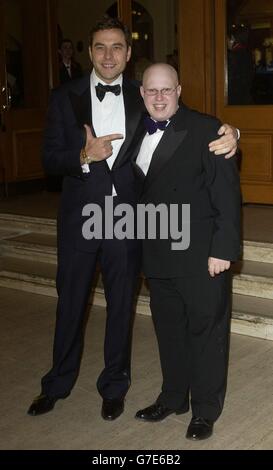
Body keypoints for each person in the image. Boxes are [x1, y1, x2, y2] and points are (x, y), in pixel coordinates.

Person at [27, 18, 239, 421]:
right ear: (89, 52)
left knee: (122, 308)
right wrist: (82, 156)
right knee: (70, 303)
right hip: (81, 219)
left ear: (128, 54)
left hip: (130, 222)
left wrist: (232, 132)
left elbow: (182, 122)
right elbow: (48, 159)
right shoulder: (63, 97)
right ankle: (57, 383)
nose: (109, 55)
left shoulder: (141, 99)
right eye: (100, 47)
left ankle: (114, 387)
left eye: (117, 47)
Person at [133, 63, 241, 440]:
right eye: (151, 91)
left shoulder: (207, 130)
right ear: (142, 93)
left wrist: (223, 249)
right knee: (169, 331)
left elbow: (225, 193)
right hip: (157, 254)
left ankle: (205, 410)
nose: (159, 97)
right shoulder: (135, 128)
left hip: (201, 255)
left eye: (166, 90)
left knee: (206, 333)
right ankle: (174, 396)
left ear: (179, 90)